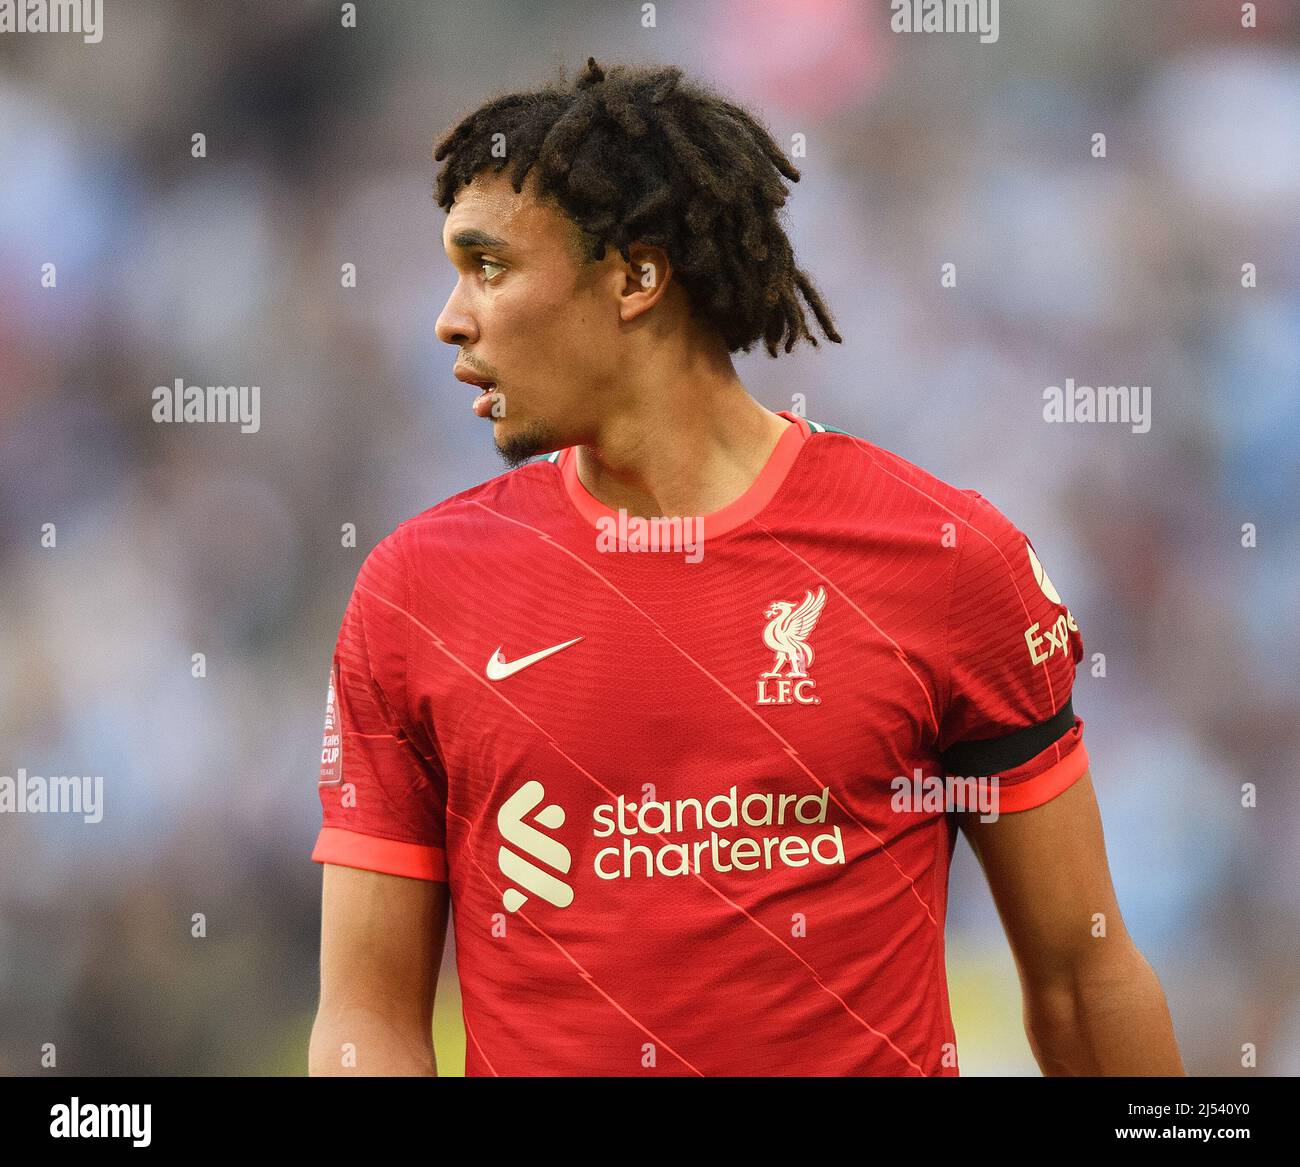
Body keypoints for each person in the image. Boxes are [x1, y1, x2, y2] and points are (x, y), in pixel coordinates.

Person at [308, 57, 1183, 1076]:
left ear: (636, 276)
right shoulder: (416, 591)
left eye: (489, 267)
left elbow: (1082, 983)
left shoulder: (945, 560)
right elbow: (365, 1018)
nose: (450, 319)